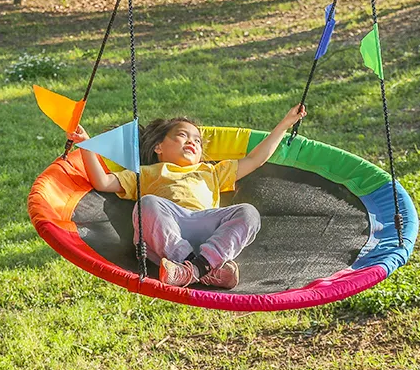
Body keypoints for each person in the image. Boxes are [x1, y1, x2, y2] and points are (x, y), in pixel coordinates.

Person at [71, 105, 306, 289]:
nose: (191, 141)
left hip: (206, 228)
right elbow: (102, 182)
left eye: (196, 140)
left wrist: (284, 124)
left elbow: (256, 160)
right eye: (182, 136)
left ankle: (194, 269)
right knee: (148, 203)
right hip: (166, 236)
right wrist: (85, 146)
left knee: (248, 213)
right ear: (159, 147)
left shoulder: (211, 171)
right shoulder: (148, 172)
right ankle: (205, 269)